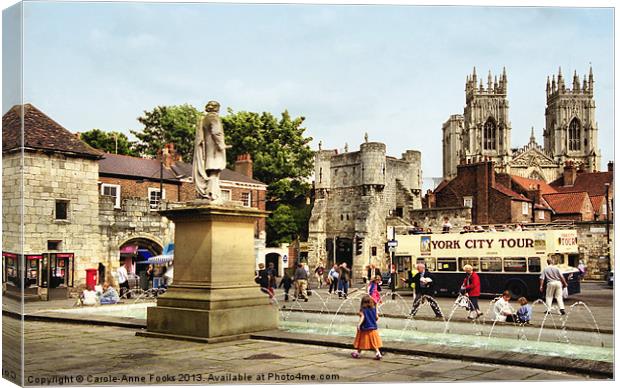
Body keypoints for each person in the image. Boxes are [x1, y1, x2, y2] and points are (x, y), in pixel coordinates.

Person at [193, 100, 227, 202]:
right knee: (214, 170)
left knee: (211, 171)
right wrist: (221, 144)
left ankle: (211, 191)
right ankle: (213, 193)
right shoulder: (213, 117)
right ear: (216, 108)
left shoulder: (204, 119)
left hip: (207, 149)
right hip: (214, 150)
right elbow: (216, 132)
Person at [351, 295, 383, 360]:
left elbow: (363, 317)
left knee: (362, 341)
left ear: (363, 303)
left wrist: (359, 324)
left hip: (365, 328)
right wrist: (376, 305)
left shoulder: (363, 310)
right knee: (373, 342)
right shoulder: (373, 310)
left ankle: (358, 353)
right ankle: (377, 353)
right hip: (373, 328)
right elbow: (377, 318)